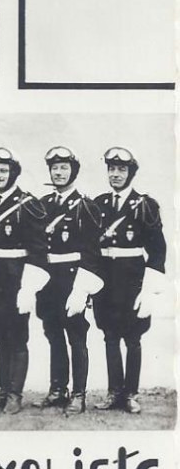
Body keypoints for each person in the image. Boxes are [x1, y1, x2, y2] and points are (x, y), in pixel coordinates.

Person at [92, 148, 166, 414]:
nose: (115, 174)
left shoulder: (146, 205)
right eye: (111, 169)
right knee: (109, 336)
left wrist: (150, 290)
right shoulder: (98, 204)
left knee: (133, 338)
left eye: (121, 170)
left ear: (131, 173)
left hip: (133, 281)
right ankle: (114, 393)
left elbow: (158, 250)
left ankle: (131, 394)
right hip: (105, 281)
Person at [0, 148, 48, 415]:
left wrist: (29, 288)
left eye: (3, 171)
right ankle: (3, 391)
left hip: (16, 279)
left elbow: (39, 251)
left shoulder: (29, 204)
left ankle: (15, 395)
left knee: (16, 336)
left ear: (14, 173)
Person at [34, 147, 103, 415]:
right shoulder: (43, 204)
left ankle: (78, 394)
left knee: (76, 336)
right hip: (49, 280)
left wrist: (81, 290)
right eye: (54, 168)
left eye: (63, 167)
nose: (58, 172)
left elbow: (92, 253)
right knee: (52, 334)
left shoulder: (86, 206)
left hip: (73, 279)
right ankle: (58, 389)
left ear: (73, 171)